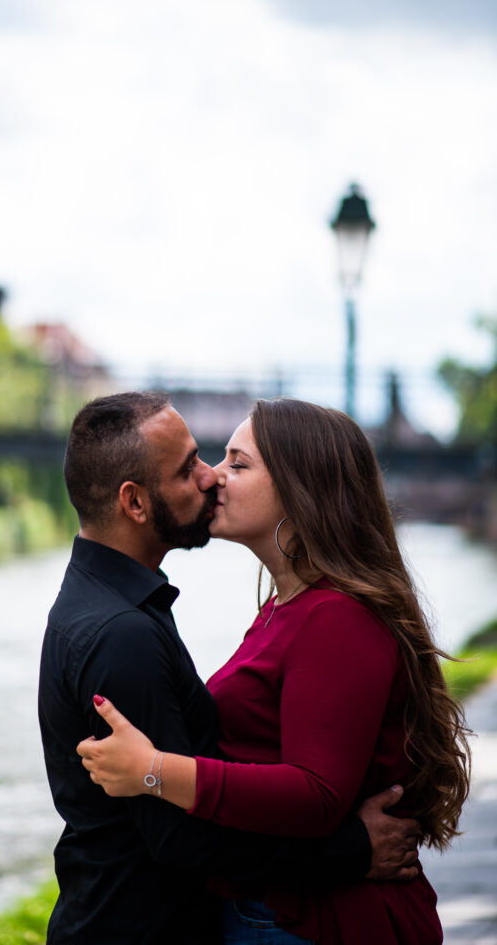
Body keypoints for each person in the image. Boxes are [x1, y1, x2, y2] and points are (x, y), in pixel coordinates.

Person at [77, 397, 472, 945]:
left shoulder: (335, 616)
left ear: (300, 490)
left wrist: (154, 770)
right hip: (287, 911)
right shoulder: (288, 608)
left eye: (238, 465)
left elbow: (315, 794)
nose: (213, 476)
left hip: (321, 921)